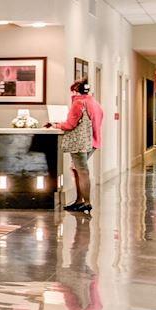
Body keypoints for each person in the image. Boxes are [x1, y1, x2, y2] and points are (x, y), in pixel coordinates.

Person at [56, 78, 102, 213]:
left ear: (76, 90)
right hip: (93, 141)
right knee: (77, 169)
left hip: (80, 143)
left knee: (82, 171)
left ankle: (86, 202)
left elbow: (70, 124)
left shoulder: (78, 103)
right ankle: (79, 200)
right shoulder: (94, 103)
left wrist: (55, 124)